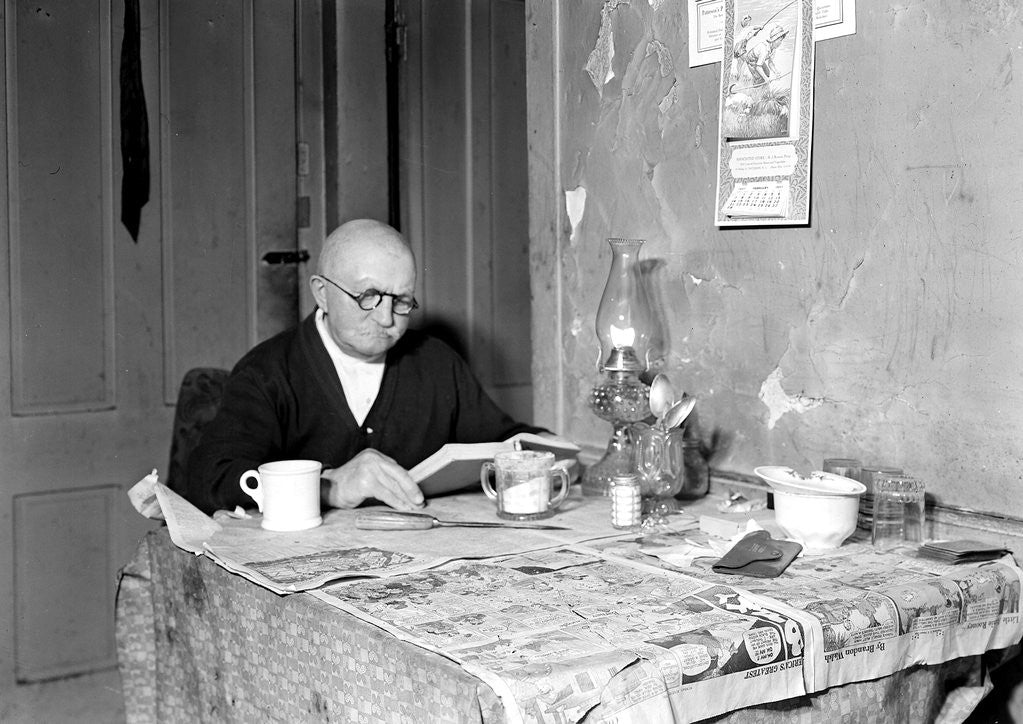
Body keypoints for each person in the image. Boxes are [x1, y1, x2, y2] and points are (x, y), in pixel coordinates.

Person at [181, 218, 553, 515]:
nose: (386, 318)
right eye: (368, 297)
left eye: (402, 300)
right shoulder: (268, 371)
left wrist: (552, 453)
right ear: (321, 292)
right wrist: (330, 486)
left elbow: (506, 440)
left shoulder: (436, 362)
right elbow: (210, 479)